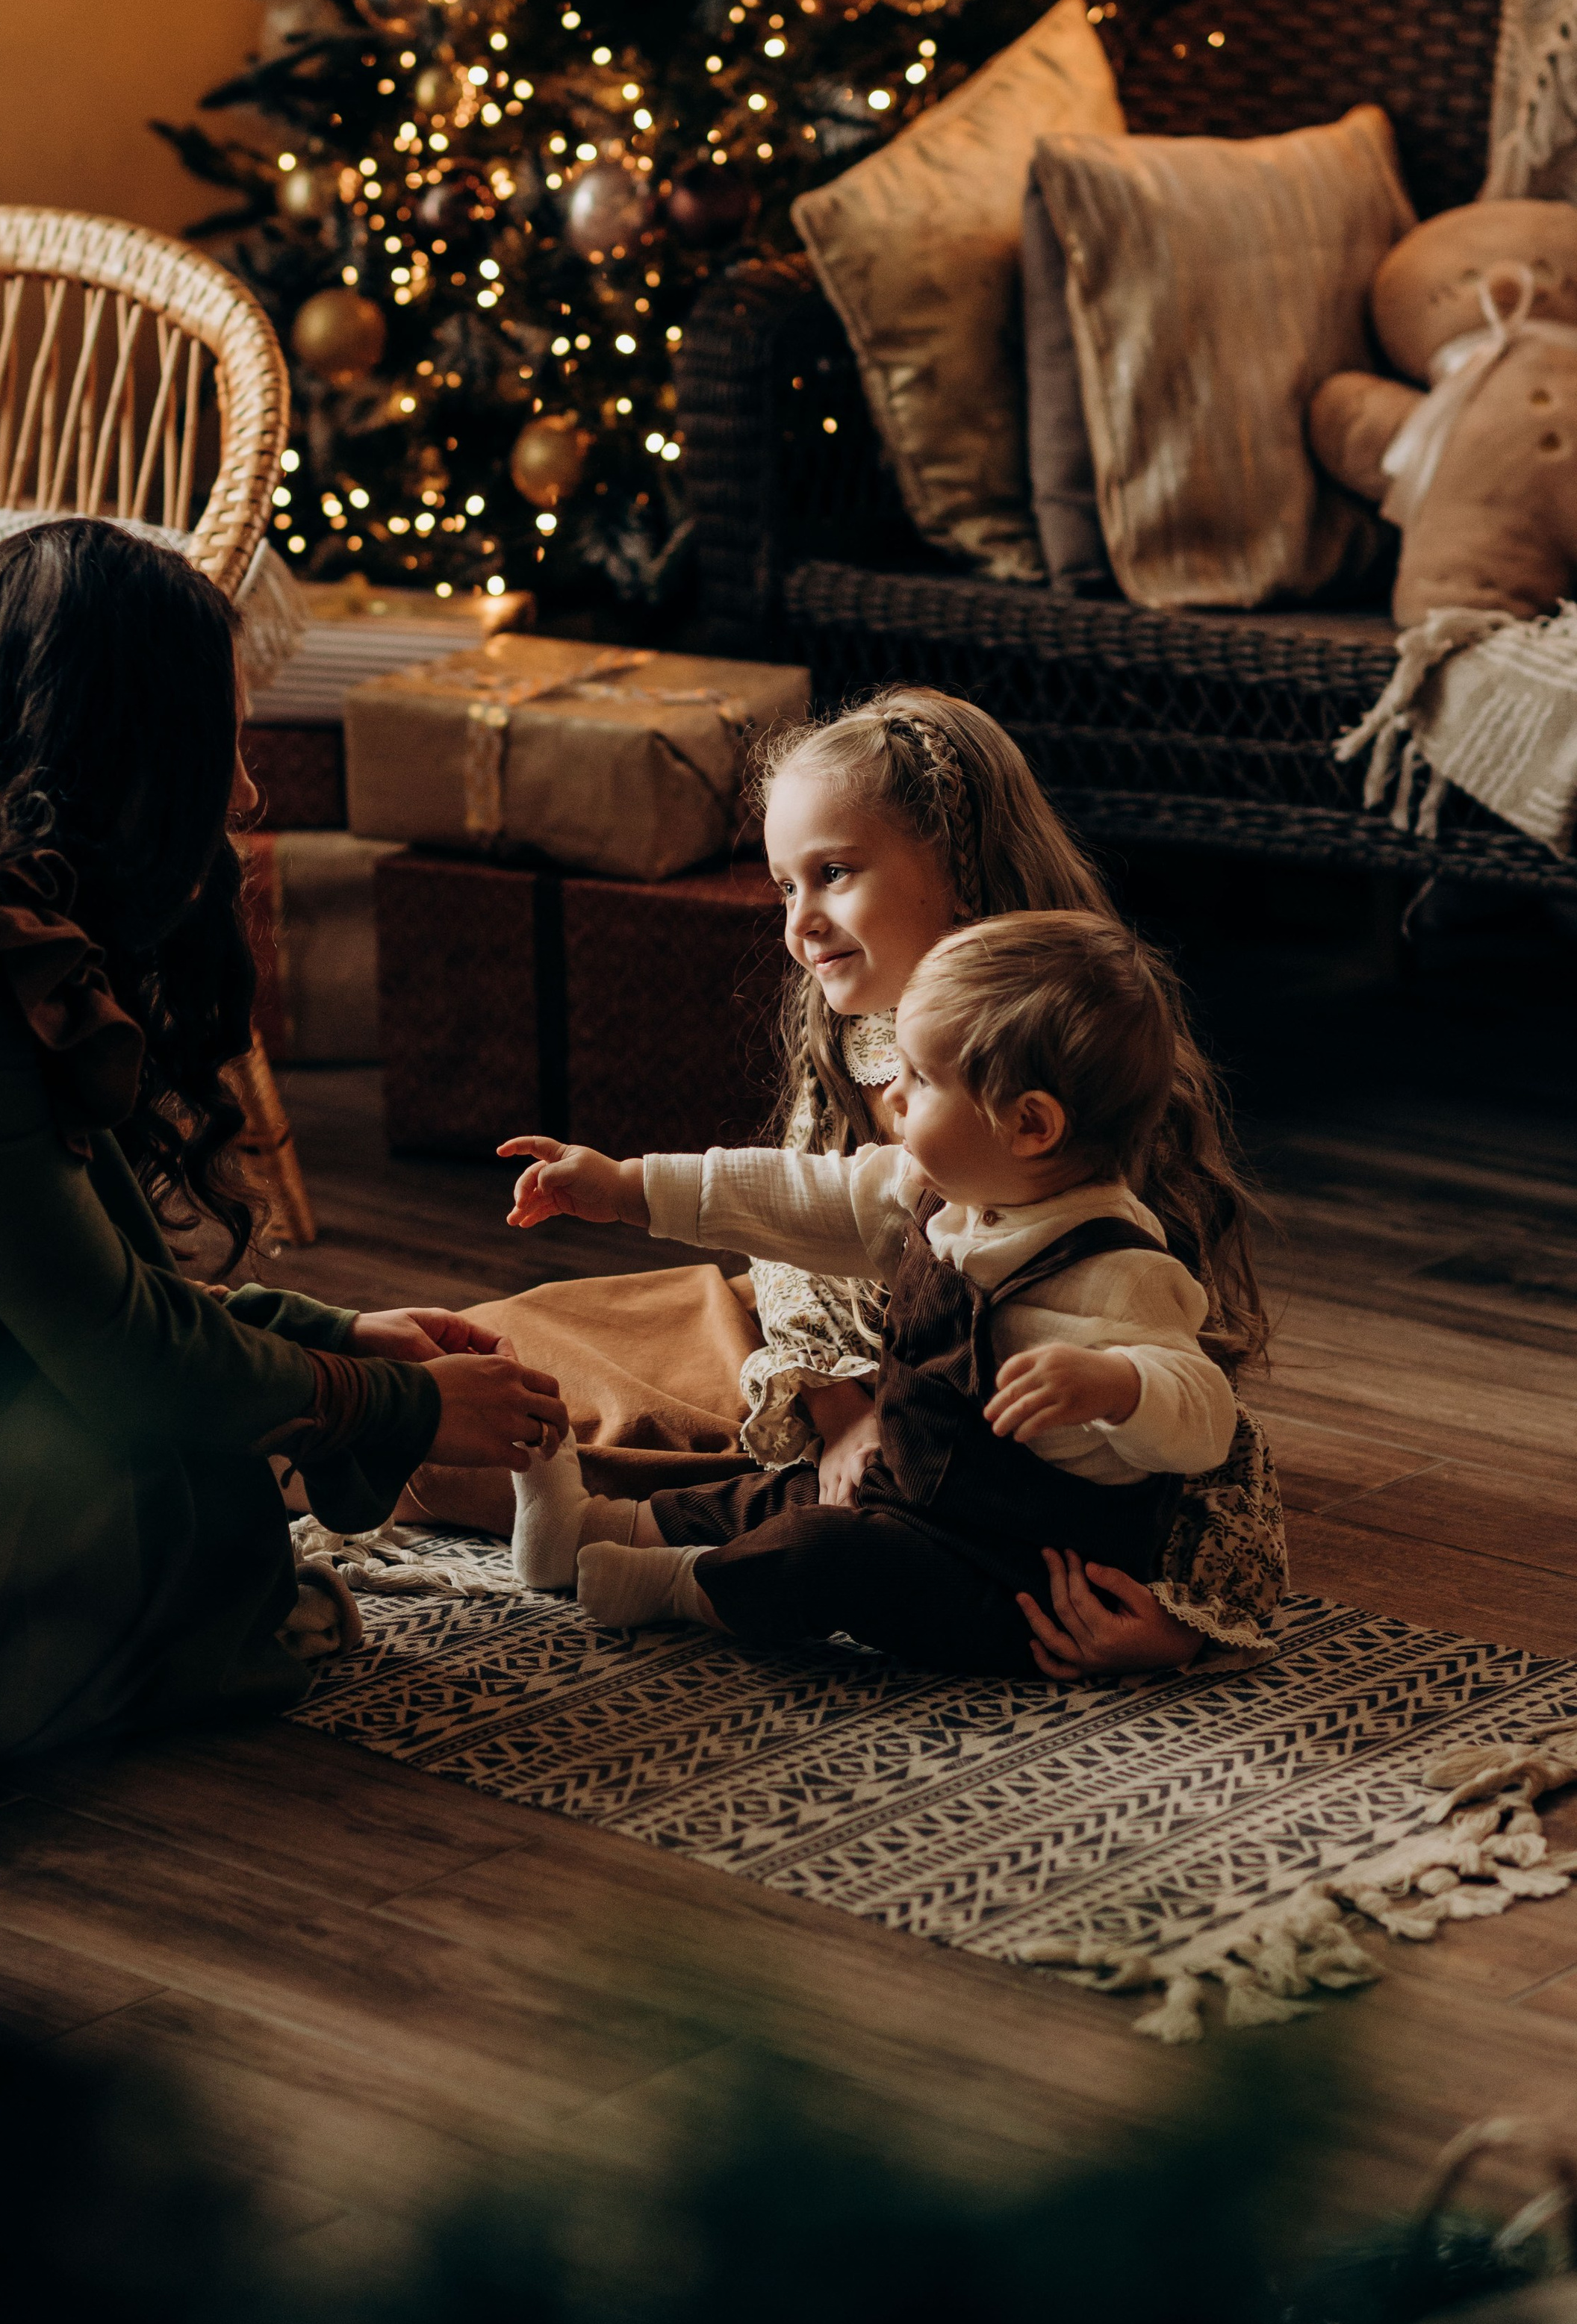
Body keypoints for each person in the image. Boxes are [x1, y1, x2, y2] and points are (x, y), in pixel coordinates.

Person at [0, 520, 565, 1812]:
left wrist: (349, 1333)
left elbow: (44, 1264)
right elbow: (115, 1352)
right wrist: (402, 1406)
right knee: (176, 1520)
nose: (243, 793)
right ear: (149, 754)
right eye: (227, 744)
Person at [409, 688, 1285, 1674]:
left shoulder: (1069, 1079)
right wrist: (827, 1393)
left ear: (960, 870)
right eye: (787, 886)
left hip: (971, 1454)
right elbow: (802, 1208)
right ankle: (370, 1424)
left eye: (834, 875)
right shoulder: (862, 1030)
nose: (801, 922)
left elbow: (1197, 1415)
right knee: (484, 1352)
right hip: (811, 1359)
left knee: (476, 1440)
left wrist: (1174, 1626)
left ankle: (561, 1516)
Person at [498, 909, 1258, 1675]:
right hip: (909, 1492)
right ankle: (585, 1531)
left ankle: (682, 1588)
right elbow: (794, 1192)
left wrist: (1119, 1386)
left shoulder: (1119, 1268)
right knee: (775, 1495)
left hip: (1011, 1579)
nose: (891, 1093)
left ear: (1029, 1123)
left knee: (827, 1553)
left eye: (920, 1078)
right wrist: (627, 1186)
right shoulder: (942, 1189)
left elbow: (1203, 1414)